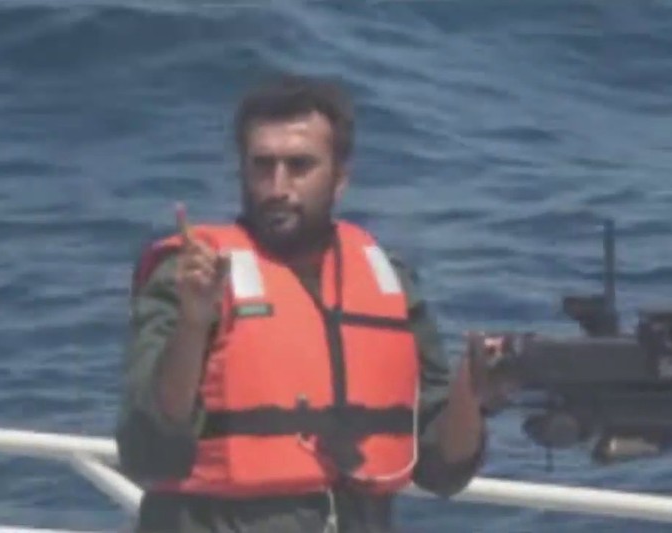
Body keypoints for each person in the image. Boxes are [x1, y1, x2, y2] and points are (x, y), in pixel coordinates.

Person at [115, 74, 519, 533]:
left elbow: (442, 468)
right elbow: (147, 451)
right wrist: (192, 323)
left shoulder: (390, 281)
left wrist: (469, 390)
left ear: (340, 179)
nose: (277, 186)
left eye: (299, 166)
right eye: (262, 166)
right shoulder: (190, 277)